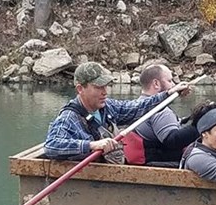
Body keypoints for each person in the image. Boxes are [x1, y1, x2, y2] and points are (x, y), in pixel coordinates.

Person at [43, 61, 188, 162]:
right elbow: (52, 146)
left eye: (105, 86)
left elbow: (136, 107)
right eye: (98, 87)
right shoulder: (69, 117)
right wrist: (92, 145)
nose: (104, 92)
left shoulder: (107, 106)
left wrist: (168, 94)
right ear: (80, 89)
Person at [122, 63, 198, 166]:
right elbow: (173, 141)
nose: (173, 85)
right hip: (161, 163)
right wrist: (200, 126)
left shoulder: (137, 106)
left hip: (146, 160)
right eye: (170, 81)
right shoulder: (161, 112)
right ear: (156, 84)